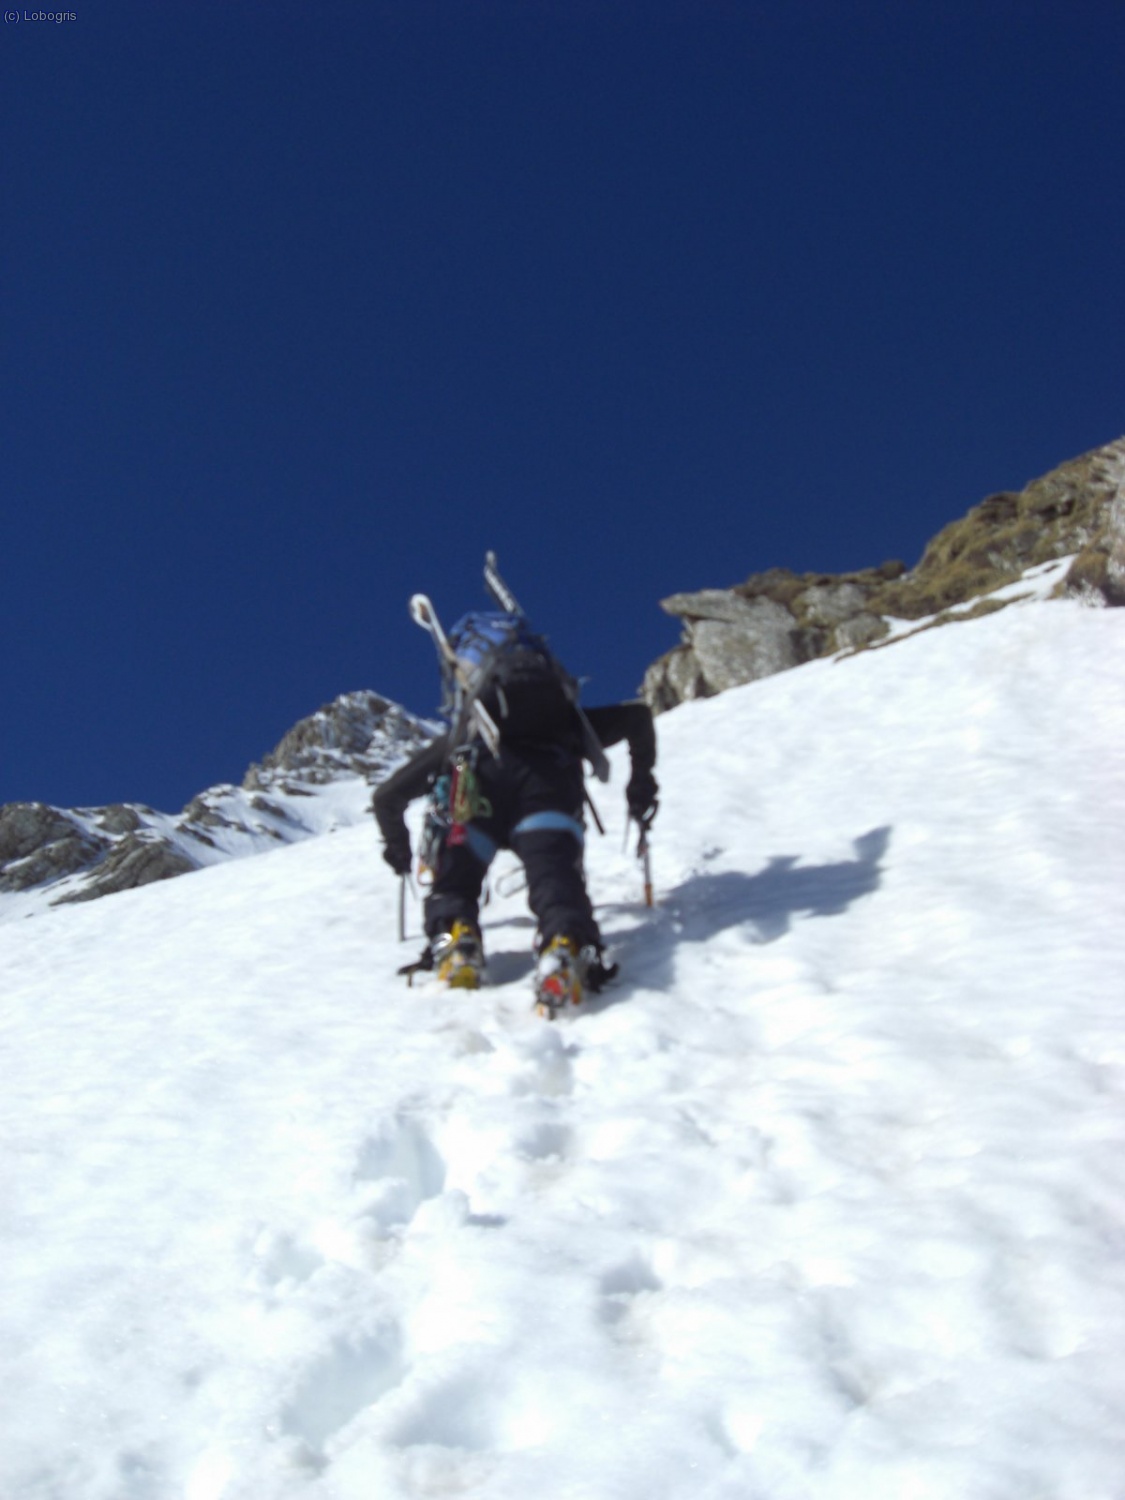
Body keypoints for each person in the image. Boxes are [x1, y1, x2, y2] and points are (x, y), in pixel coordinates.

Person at [372, 605, 657, 1012]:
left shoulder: (465, 732)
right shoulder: (564, 719)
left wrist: (398, 850)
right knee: (554, 875)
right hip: (548, 785)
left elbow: (387, 797)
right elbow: (638, 717)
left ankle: (457, 938)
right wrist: (641, 784)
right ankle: (565, 943)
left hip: (476, 788)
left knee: (455, 883)